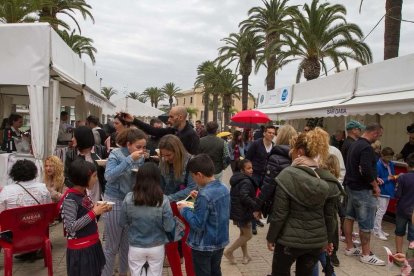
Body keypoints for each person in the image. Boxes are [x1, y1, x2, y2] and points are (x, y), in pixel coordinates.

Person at [266, 127, 342, 276]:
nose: (290, 153)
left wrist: (271, 237)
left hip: (288, 241)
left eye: (292, 150)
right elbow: (331, 216)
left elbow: (280, 213)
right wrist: (329, 240)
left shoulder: (287, 175)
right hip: (315, 242)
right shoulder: (328, 178)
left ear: (299, 151)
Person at [102, 128, 147, 276]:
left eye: (143, 147)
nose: (141, 150)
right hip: (114, 201)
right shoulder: (116, 154)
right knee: (111, 247)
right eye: (138, 147)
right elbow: (109, 176)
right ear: (128, 144)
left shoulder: (140, 158)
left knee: (127, 246)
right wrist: (129, 160)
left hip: (131, 202)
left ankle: (123, 273)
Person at [177, 154, 230, 276]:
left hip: (203, 245)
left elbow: (198, 224)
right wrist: (196, 198)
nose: (193, 179)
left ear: (199, 175)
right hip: (220, 241)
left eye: (193, 176)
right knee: (216, 271)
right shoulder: (224, 188)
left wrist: (184, 210)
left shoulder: (204, 195)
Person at [119, 162, 175, 276]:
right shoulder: (163, 199)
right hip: (157, 245)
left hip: (135, 245)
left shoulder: (129, 198)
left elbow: (122, 222)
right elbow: (169, 227)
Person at [343, 123, 385, 266]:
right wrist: (375, 185)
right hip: (362, 190)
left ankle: (349, 247)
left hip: (351, 187)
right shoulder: (366, 147)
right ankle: (366, 254)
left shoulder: (354, 144)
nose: (378, 138)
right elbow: (365, 169)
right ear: (374, 133)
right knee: (366, 223)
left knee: (349, 217)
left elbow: (358, 167)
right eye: (379, 135)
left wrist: (374, 177)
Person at [61, 159, 111, 276]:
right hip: (81, 250)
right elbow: (70, 227)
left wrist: (99, 208)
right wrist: (94, 212)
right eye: (94, 176)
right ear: (83, 178)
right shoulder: (70, 199)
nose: (96, 179)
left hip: (92, 244)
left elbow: (84, 212)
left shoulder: (82, 194)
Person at [158, 134, 196, 276]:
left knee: (188, 247)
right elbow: (160, 184)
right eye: (163, 155)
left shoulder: (191, 161)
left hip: (188, 204)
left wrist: (168, 198)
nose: (166, 158)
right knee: (170, 245)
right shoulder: (163, 162)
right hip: (168, 204)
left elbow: (192, 189)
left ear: (177, 150)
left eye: (168, 155)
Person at [255, 124, 297, 219]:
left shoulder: (275, 158)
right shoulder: (299, 156)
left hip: (278, 204)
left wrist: (257, 206)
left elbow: (268, 185)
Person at [224, 159, 259, 265]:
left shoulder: (239, 178)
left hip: (239, 212)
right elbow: (244, 196)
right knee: (248, 235)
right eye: (248, 168)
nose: (251, 170)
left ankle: (246, 256)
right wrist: (256, 206)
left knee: (243, 234)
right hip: (243, 212)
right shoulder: (246, 181)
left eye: (251, 167)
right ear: (242, 170)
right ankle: (229, 252)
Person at [125, 106, 200, 155]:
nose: (168, 120)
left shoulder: (192, 135)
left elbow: (193, 159)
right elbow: (153, 131)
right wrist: (134, 120)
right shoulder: (172, 130)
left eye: (171, 117)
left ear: (180, 117)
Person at [313, 153, 342, 275]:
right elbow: (331, 216)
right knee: (319, 256)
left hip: (315, 226)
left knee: (315, 257)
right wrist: (330, 239)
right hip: (324, 228)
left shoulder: (316, 181)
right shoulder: (334, 186)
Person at [64, 126, 106, 203]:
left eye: (74, 137)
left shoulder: (100, 150)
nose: (72, 139)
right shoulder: (71, 154)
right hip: (80, 194)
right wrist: (78, 190)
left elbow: (105, 174)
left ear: (82, 138)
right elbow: (67, 176)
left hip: (97, 190)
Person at [373, 147, 396, 241]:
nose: (389, 159)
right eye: (387, 157)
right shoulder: (378, 165)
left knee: (382, 211)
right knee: (380, 211)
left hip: (389, 190)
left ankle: (379, 229)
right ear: (382, 155)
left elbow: (392, 175)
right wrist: (388, 179)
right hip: (382, 191)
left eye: (391, 157)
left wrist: (394, 179)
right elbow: (377, 180)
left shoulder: (391, 164)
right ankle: (376, 230)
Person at [394, 152, 414, 254]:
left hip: (402, 209)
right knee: (413, 236)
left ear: (408, 165)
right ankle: (411, 258)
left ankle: (399, 254)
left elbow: (397, 195)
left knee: (399, 232)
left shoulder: (402, 177)